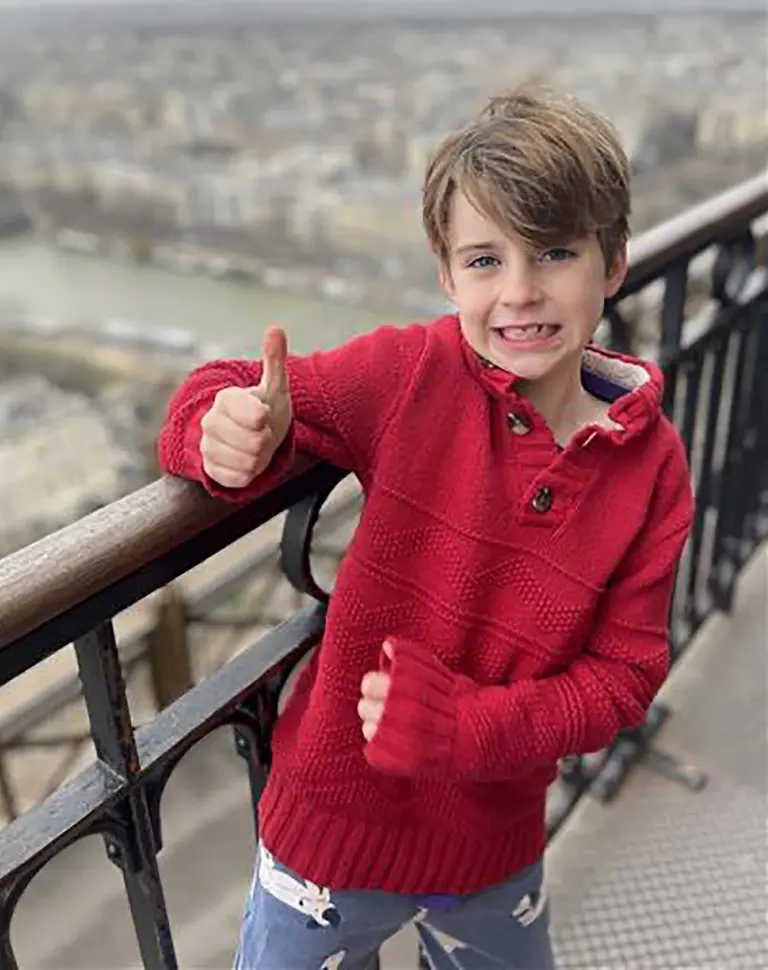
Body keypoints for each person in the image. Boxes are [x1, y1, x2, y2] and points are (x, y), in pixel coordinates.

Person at [157, 85, 694, 970]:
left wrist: (466, 729)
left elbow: (623, 680)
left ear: (613, 263)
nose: (520, 292)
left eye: (555, 252)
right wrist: (222, 431)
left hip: (492, 847)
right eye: (485, 260)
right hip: (330, 832)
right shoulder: (410, 374)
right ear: (447, 277)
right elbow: (222, 388)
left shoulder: (653, 467)